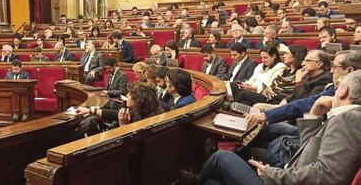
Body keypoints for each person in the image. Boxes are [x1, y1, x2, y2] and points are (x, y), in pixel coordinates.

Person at [183, 70, 361, 185]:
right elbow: (309, 154)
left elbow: (327, 176)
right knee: (212, 182)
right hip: (292, 171)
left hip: (284, 178)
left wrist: (271, 173)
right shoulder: (347, 117)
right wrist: (313, 115)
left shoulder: (349, 119)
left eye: (337, 87)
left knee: (221, 157)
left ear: (344, 91)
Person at [76, 82, 163, 127]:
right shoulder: (143, 110)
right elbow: (116, 114)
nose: (127, 96)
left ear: (138, 100)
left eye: (130, 94)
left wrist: (123, 125)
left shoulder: (145, 121)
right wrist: (90, 110)